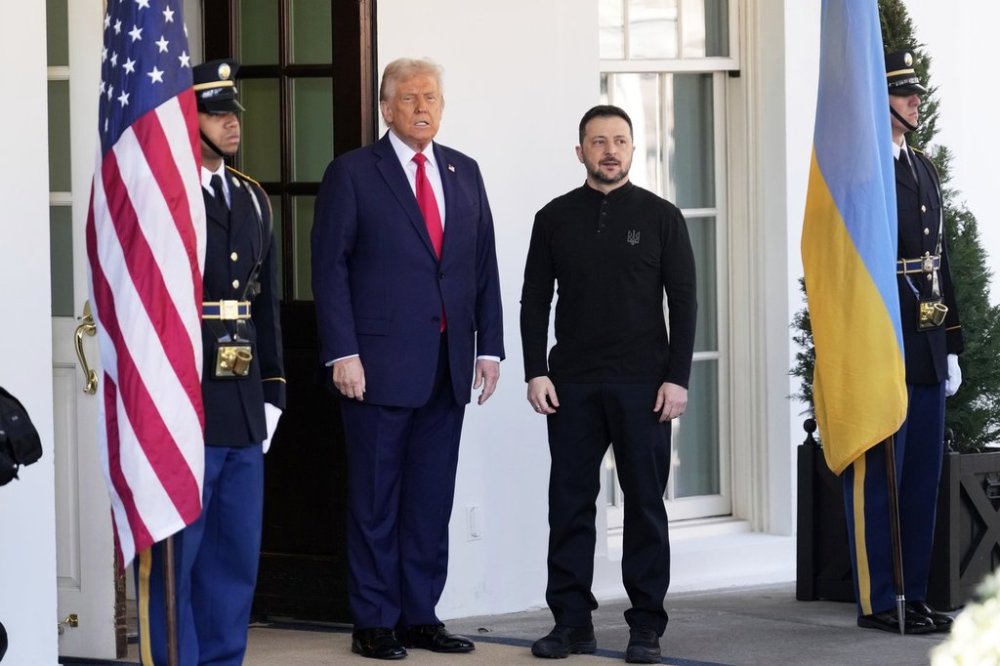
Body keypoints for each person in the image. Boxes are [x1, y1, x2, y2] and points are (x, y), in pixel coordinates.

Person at [311, 57, 504, 660]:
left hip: (448, 366)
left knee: (428, 501)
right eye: (412, 97)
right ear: (386, 107)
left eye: (433, 97)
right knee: (375, 501)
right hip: (375, 368)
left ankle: (421, 615)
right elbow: (330, 269)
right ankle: (373, 620)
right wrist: (343, 351)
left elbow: (482, 266)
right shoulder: (353, 174)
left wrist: (490, 347)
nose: (424, 107)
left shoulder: (464, 171)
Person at [520, 105, 697, 663]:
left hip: (644, 384)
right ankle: (571, 623)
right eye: (598, 141)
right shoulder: (553, 218)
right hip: (570, 383)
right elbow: (534, 300)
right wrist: (535, 370)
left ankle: (646, 627)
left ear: (632, 148)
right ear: (581, 152)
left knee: (645, 506)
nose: (610, 150)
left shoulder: (663, 216)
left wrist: (677, 379)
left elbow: (685, 302)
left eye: (619, 140)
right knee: (569, 505)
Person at [136, 58, 286, 665]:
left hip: (243, 400)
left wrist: (273, 391)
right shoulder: (162, 195)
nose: (231, 124)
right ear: (186, 119)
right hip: (182, 398)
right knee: (179, 557)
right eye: (216, 113)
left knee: (233, 556)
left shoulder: (251, 197)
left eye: (233, 114)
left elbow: (266, 301)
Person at [843, 49, 964, 635]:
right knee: (881, 479)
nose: (916, 99)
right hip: (882, 340)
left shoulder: (922, 165)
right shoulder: (864, 172)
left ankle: (914, 594)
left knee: (921, 476)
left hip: (926, 343)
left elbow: (942, 262)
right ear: (878, 100)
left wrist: (954, 343)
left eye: (916, 91)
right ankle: (879, 600)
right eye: (902, 91)